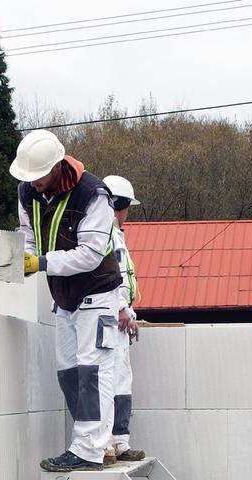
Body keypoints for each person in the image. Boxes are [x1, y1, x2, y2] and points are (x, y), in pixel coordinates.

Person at [11, 129, 121, 472]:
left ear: (57, 166)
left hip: (97, 290)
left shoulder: (93, 194)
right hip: (64, 295)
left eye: (39, 175)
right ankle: (96, 444)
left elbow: (89, 254)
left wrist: (42, 263)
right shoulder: (27, 191)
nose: (34, 182)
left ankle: (89, 450)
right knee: (69, 373)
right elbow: (29, 236)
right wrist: (23, 258)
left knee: (93, 370)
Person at [102, 175, 145, 463]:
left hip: (120, 320)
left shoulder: (117, 235)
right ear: (119, 204)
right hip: (110, 318)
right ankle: (105, 444)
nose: (127, 213)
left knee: (120, 381)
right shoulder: (106, 233)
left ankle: (119, 441)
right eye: (126, 207)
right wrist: (123, 311)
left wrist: (128, 312)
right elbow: (110, 277)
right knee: (106, 380)